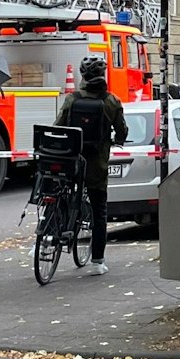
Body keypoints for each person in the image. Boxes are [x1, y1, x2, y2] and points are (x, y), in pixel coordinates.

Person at [56, 55, 126, 275]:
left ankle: (50, 236)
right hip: (96, 164)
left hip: (72, 161)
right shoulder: (111, 101)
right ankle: (97, 260)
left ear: (82, 75)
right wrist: (119, 139)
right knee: (99, 211)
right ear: (102, 75)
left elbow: (58, 126)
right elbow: (122, 130)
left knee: (60, 197)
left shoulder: (71, 99)